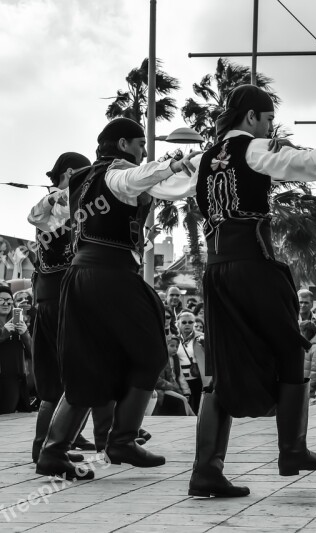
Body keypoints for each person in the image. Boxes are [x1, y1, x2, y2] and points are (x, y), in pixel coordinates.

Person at [142, 85, 316, 497]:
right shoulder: (254, 151)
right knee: (291, 351)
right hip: (255, 267)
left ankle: (206, 471)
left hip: (217, 273)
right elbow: (315, 162)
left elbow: (155, 182)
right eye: (268, 117)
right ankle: (292, 449)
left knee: (220, 367)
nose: (271, 125)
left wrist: (153, 170)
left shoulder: (201, 160)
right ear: (252, 117)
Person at [36, 118, 193, 481]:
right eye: (140, 144)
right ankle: (121, 439)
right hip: (110, 274)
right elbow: (133, 180)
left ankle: (53, 452)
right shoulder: (119, 172)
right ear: (123, 144)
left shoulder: (81, 180)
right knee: (153, 350)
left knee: (87, 365)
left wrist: (52, 200)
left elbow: (40, 216)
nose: (143, 152)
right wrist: (170, 165)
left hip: (79, 278)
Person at [26, 151, 97, 462]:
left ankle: (60, 440)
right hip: (57, 295)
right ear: (70, 173)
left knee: (65, 373)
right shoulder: (57, 201)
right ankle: (46, 445)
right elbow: (41, 219)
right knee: (64, 372)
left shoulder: (63, 202)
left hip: (51, 294)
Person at [0, 286, 32, 415]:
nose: (6, 303)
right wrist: (4, 333)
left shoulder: (18, 320)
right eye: (1, 299)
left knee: (20, 418)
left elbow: (32, 350)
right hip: (2, 379)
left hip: (18, 378)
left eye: (9, 300)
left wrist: (24, 334)